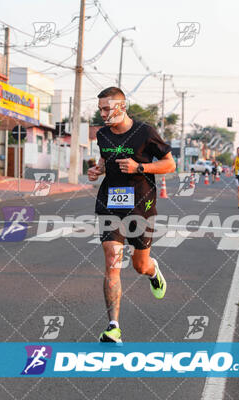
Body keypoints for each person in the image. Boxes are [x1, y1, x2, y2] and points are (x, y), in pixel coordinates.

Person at [88, 87, 176, 343]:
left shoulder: (145, 132)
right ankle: (113, 326)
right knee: (112, 263)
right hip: (110, 204)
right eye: (100, 109)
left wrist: (141, 167)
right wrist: (97, 171)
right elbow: (105, 162)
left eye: (107, 109)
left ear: (122, 107)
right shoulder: (103, 135)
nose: (103, 114)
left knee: (139, 265)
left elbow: (170, 163)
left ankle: (153, 271)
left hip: (141, 206)